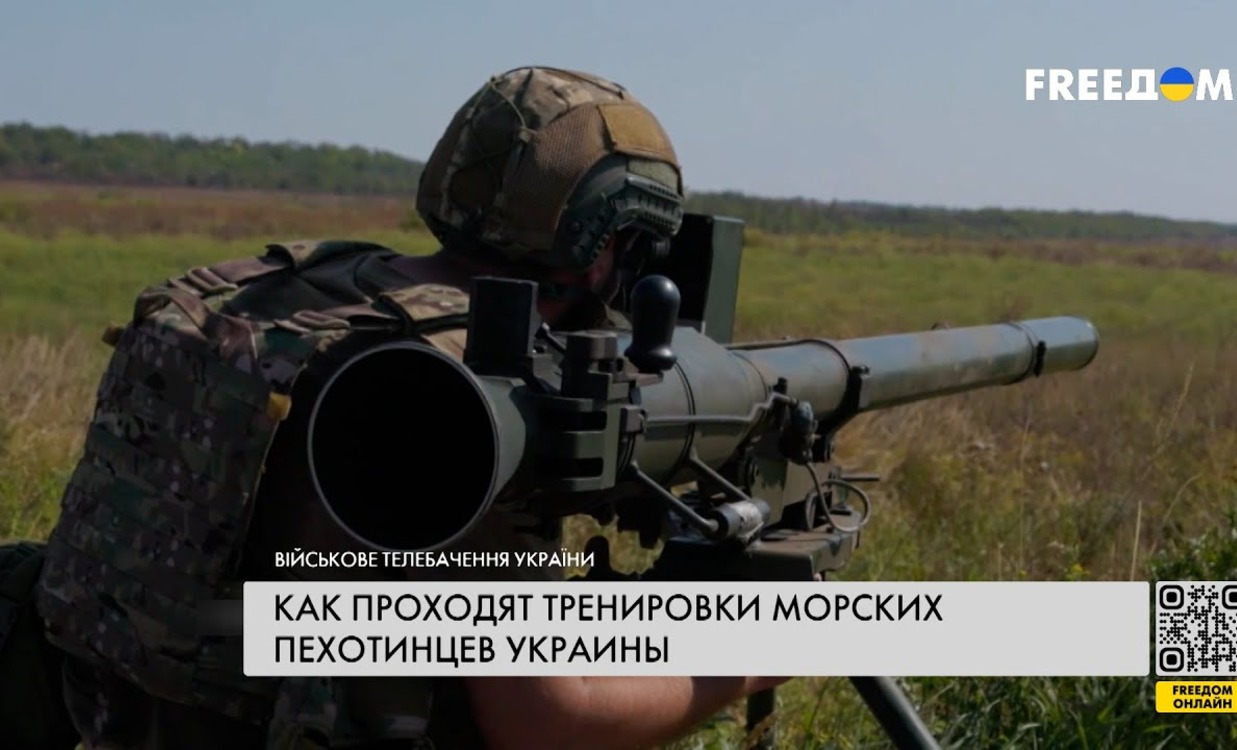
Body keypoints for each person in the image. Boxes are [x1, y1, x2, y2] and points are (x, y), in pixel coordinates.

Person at [31, 66, 792, 750]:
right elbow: (548, 721)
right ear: (604, 243)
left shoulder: (283, 285)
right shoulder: (468, 390)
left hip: (119, 714)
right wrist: (748, 658)